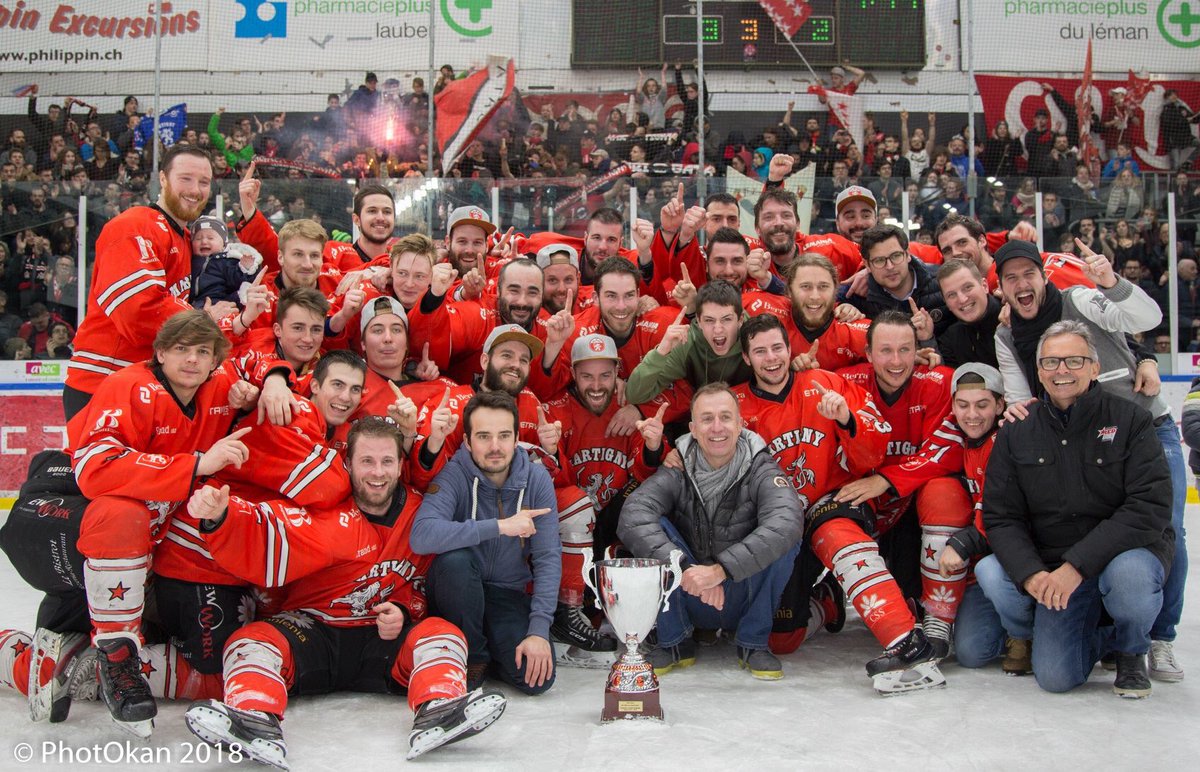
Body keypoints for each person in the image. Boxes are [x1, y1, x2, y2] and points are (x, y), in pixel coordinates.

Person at [184, 417, 506, 764]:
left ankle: (440, 708)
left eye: (386, 461)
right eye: (367, 461)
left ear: (401, 465)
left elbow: (427, 581)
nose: (377, 473)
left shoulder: (420, 514)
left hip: (382, 644)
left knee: (443, 632)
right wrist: (220, 516)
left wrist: (404, 610)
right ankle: (253, 718)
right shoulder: (323, 509)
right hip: (313, 634)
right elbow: (264, 529)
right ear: (348, 464)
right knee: (251, 640)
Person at [993, 239, 1187, 680]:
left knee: (1168, 528)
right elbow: (1023, 401)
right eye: (1011, 278)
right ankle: (1104, 627)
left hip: (1145, 426)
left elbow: (1145, 320)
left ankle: (1158, 638)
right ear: (1001, 288)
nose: (1022, 284)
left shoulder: (1079, 299)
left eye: (1029, 274)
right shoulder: (1006, 334)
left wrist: (1112, 283)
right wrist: (1017, 417)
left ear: (1044, 276)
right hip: (1085, 441)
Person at [979, 321, 1173, 697]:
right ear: (1039, 372)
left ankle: (1131, 649)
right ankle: (1104, 637)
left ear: (1094, 367)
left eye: (1073, 360)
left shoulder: (1131, 419)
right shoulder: (1017, 430)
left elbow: (1149, 506)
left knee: (1131, 577)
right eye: (1050, 362)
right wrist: (1031, 574)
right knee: (1055, 677)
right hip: (1057, 569)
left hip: (1122, 555)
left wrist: (1077, 566)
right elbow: (1002, 516)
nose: (1061, 370)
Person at [618, 382, 804, 679]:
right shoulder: (678, 466)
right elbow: (634, 515)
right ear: (693, 428)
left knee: (785, 538)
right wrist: (687, 570)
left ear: (741, 424)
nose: (717, 427)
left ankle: (753, 643)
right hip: (689, 591)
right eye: (707, 419)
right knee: (655, 527)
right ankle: (674, 641)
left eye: (725, 417)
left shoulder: (761, 467)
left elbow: (787, 520)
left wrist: (720, 571)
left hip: (742, 592)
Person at [411, 391, 562, 695]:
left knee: (535, 679)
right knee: (455, 561)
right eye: (483, 436)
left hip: (506, 594)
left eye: (504, 436)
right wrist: (500, 527)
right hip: (459, 591)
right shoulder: (455, 474)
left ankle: (488, 647)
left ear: (517, 438)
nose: (495, 447)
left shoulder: (536, 479)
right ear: (467, 441)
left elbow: (548, 557)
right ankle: (475, 657)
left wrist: (538, 631)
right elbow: (422, 535)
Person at [64, 144, 212, 419]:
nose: (195, 190)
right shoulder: (134, 225)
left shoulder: (184, 238)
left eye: (204, 182)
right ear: (163, 179)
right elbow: (137, 312)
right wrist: (205, 320)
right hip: (104, 383)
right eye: (186, 179)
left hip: (145, 384)